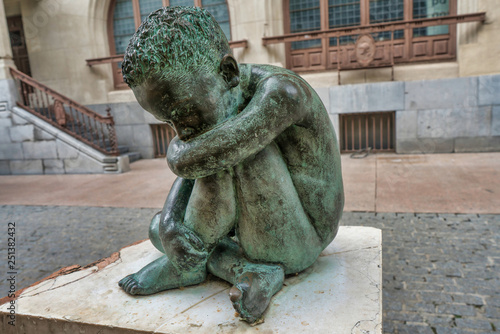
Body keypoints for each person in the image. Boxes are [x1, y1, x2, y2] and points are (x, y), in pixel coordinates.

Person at [118, 6, 344, 324]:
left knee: (241, 148)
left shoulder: (282, 92)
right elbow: (197, 161)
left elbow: (196, 157)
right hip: (255, 233)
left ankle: (192, 263)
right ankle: (240, 268)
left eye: (184, 111)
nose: (180, 131)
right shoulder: (222, 98)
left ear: (229, 73)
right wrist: (170, 226)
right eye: (167, 121)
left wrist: (177, 155)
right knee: (159, 229)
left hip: (300, 239)